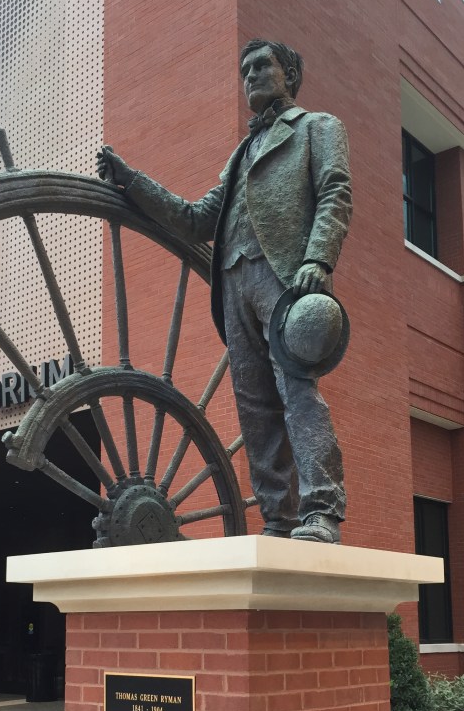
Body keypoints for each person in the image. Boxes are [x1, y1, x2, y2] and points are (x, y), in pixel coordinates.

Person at [97, 39, 352, 542]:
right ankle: (278, 519)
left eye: (261, 66)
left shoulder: (317, 127)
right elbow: (194, 219)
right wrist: (132, 181)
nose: (250, 75)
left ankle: (321, 510)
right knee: (254, 410)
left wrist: (318, 258)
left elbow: (335, 192)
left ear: (289, 75)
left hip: (282, 279)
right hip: (234, 286)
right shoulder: (240, 156)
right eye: (244, 70)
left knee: (297, 393)